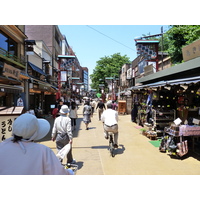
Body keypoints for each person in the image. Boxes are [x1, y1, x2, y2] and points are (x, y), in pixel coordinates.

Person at [0, 113, 72, 175]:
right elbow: (59, 174)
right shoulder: (43, 151)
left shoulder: (2, 146)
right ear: (35, 133)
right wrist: (70, 172)